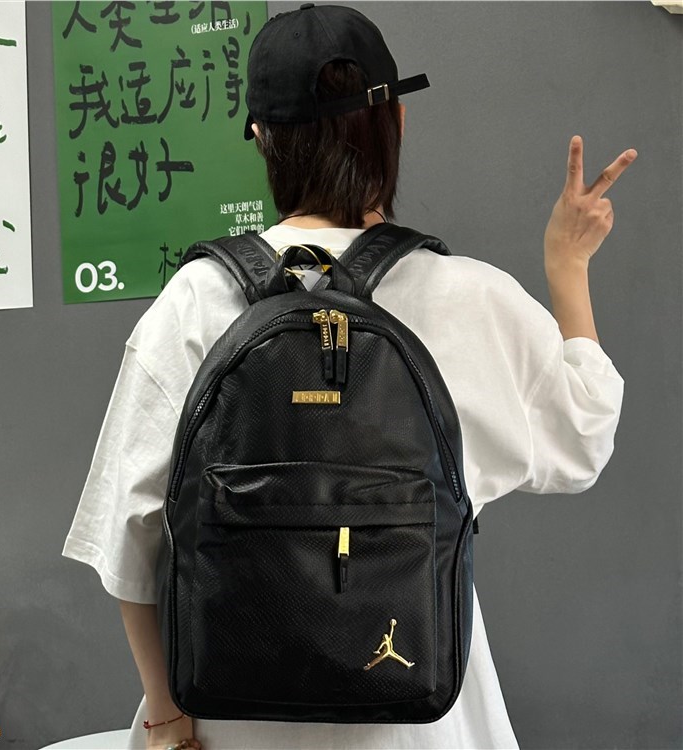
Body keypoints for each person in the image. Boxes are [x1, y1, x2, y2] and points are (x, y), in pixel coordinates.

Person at [62, 4, 636, 749]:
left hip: (234, 720)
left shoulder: (195, 302)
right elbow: (586, 437)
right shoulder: (474, 299)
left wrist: (169, 721)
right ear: (396, 122)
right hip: (420, 707)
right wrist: (568, 266)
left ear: (262, 138)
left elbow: (127, 542)